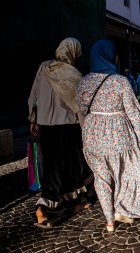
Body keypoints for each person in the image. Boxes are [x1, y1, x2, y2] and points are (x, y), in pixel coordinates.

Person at [78, 40, 140, 232]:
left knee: (101, 177)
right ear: (112, 56)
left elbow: (82, 108)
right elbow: (133, 111)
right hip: (118, 134)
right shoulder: (120, 81)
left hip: (92, 134)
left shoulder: (84, 81)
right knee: (124, 174)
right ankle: (122, 208)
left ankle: (109, 221)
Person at [28, 38, 90, 228]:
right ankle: (44, 207)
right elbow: (78, 105)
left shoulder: (44, 68)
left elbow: (34, 95)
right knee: (72, 166)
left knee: (53, 165)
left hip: (46, 126)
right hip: (68, 128)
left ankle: (72, 203)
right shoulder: (74, 75)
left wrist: (33, 119)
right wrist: (85, 127)